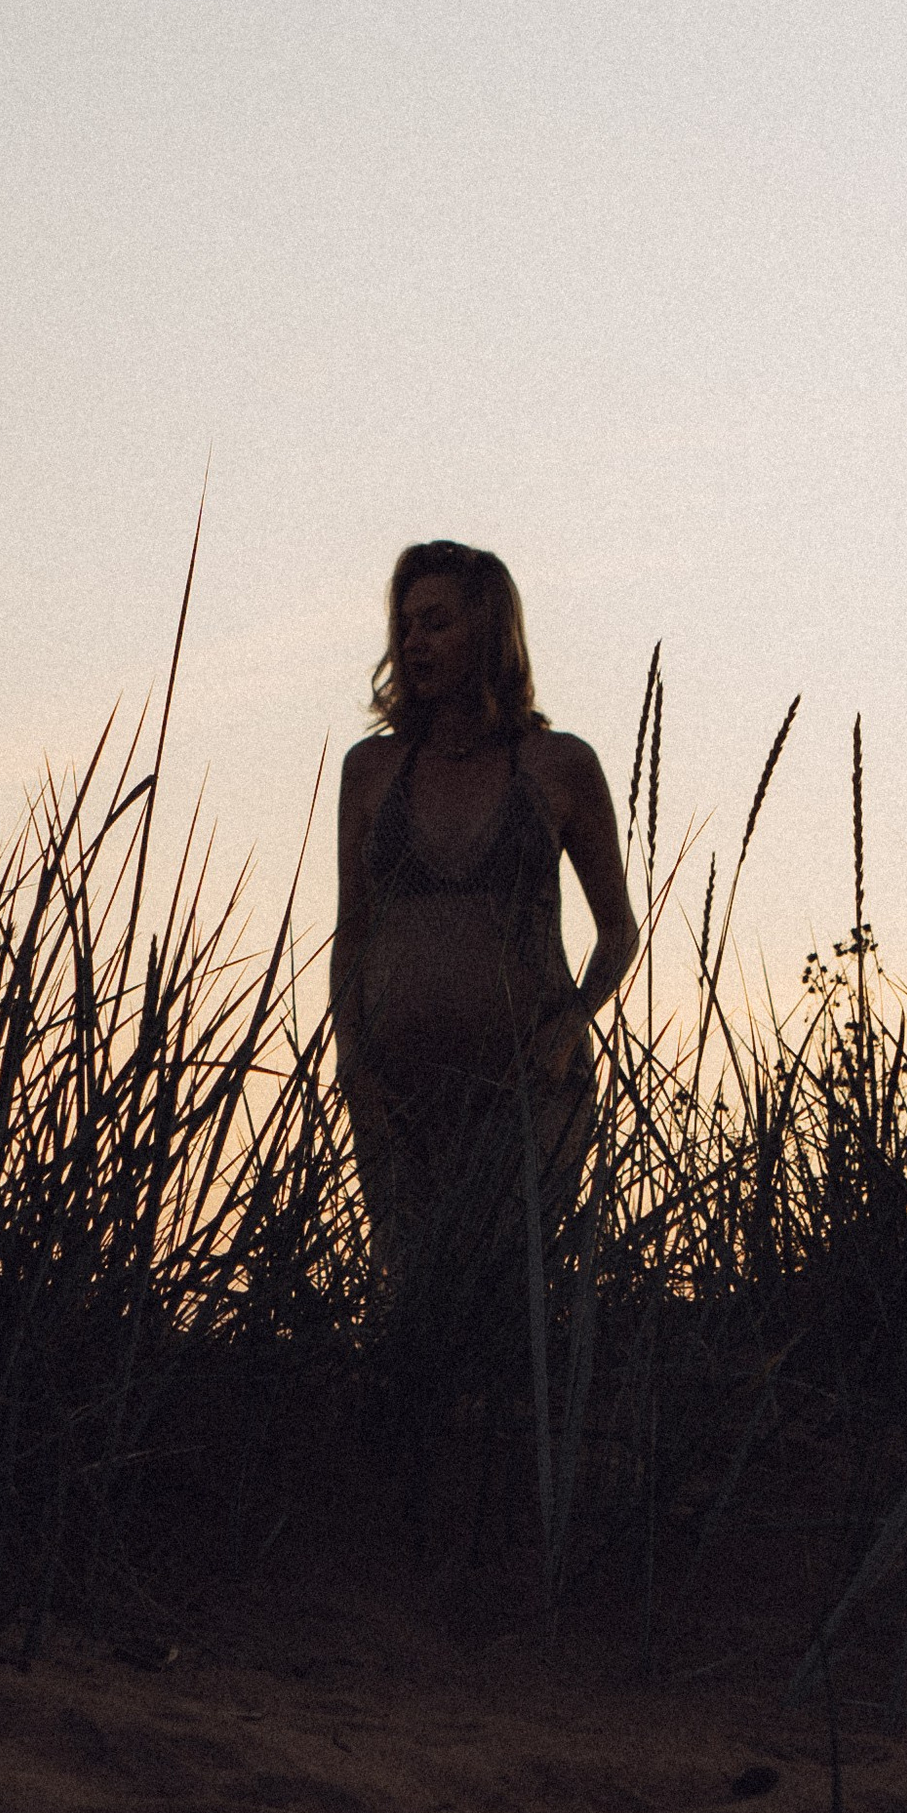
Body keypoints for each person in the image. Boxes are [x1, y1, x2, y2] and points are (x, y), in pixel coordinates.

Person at [332, 542, 638, 1281]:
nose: (413, 643)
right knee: (411, 1307)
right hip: (400, 1097)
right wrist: (351, 1063)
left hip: (527, 1096)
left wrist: (569, 1028)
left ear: (489, 631)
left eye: (435, 622)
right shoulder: (370, 770)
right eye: (405, 626)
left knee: (508, 1298)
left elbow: (619, 931)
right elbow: (353, 932)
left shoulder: (561, 764)